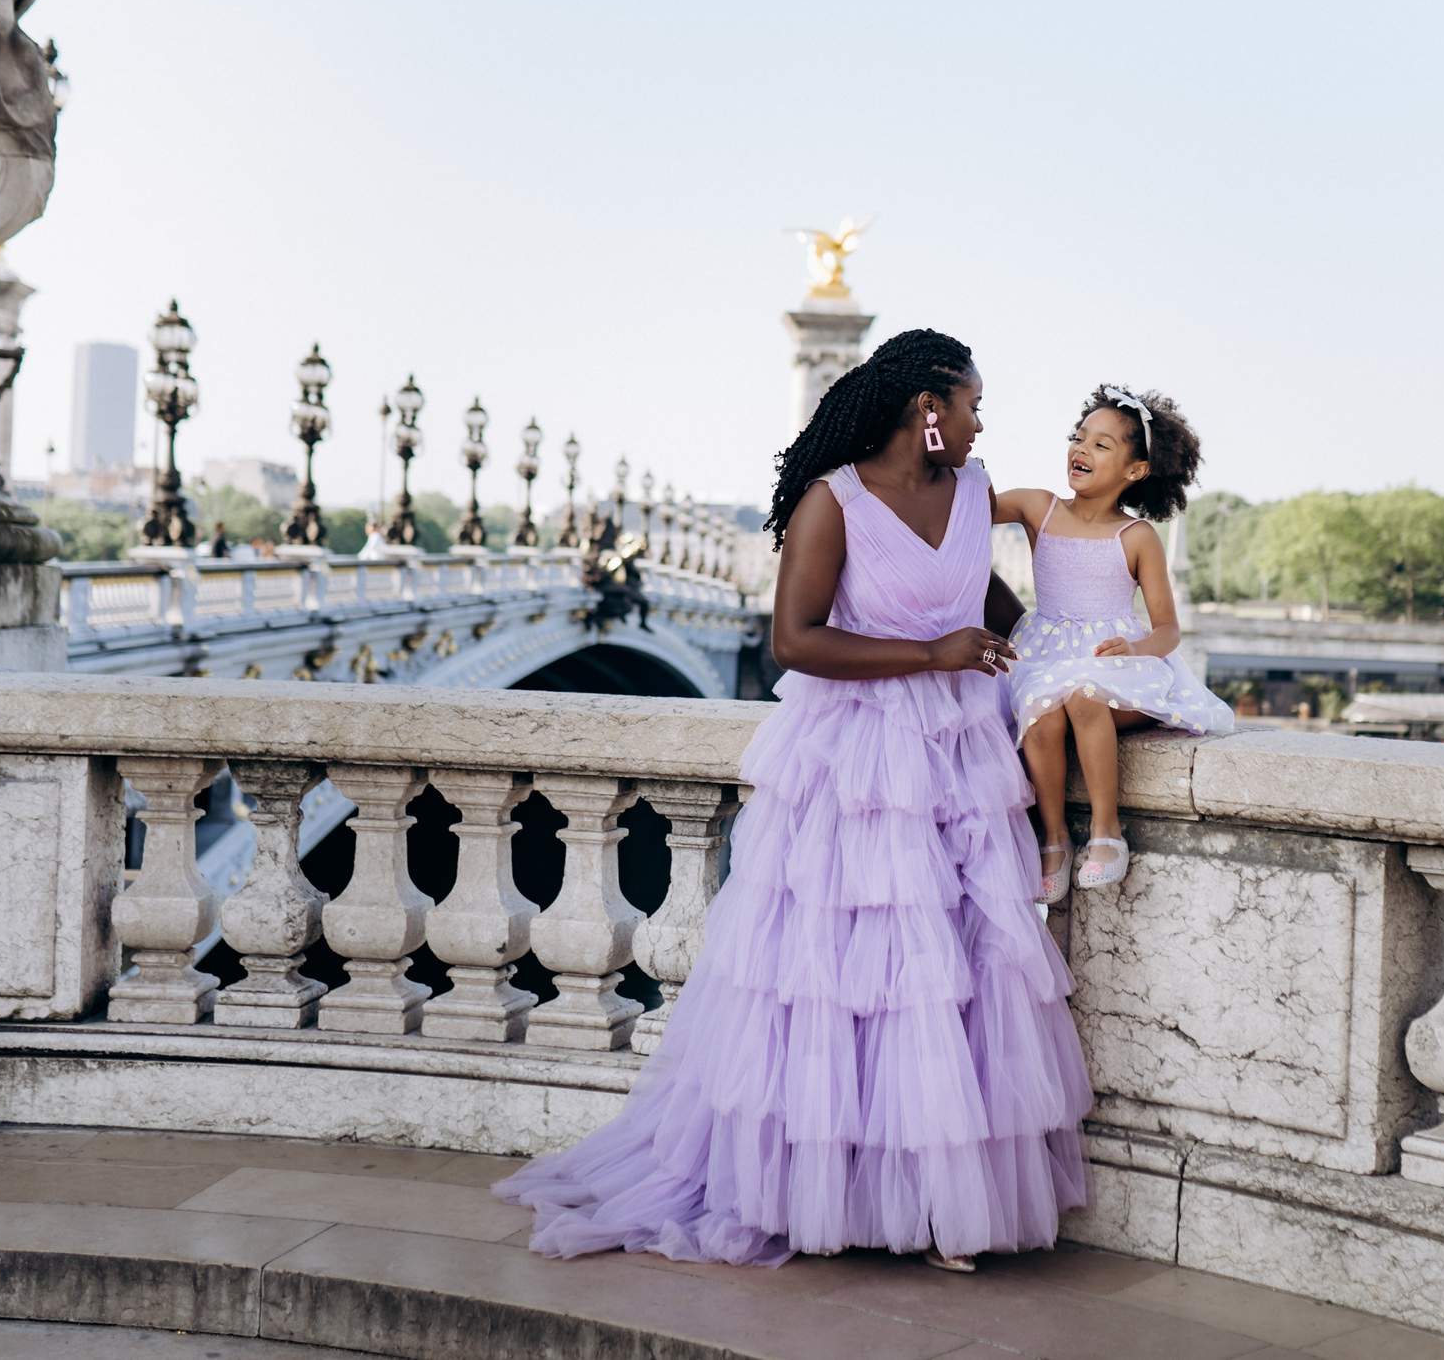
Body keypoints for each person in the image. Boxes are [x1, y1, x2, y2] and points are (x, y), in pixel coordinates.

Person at [501, 329, 1090, 1271]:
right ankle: (841, 1191)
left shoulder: (976, 492)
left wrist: (1075, 664)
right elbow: (795, 640)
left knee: (956, 972)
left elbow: (988, 602)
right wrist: (929, 655)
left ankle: (941, 1201)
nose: (982, 422)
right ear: (926, 410)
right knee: (851, 977)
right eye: (972, 403)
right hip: (857, 759)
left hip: (964, 756)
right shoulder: (835, 502)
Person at [993, 385, 1233, 903]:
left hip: (1112, 659)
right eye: (1079, 438)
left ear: (1136, 470)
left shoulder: (1137, 536)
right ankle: (1053, 836)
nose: (1081, 450)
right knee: (1040, 709)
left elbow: (1168, 627)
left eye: (1102, 445)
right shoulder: (1040, 508)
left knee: (1083, 694)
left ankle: (1107, 831)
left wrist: (1137, 648)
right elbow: (967, 507)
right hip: (1043, 652)